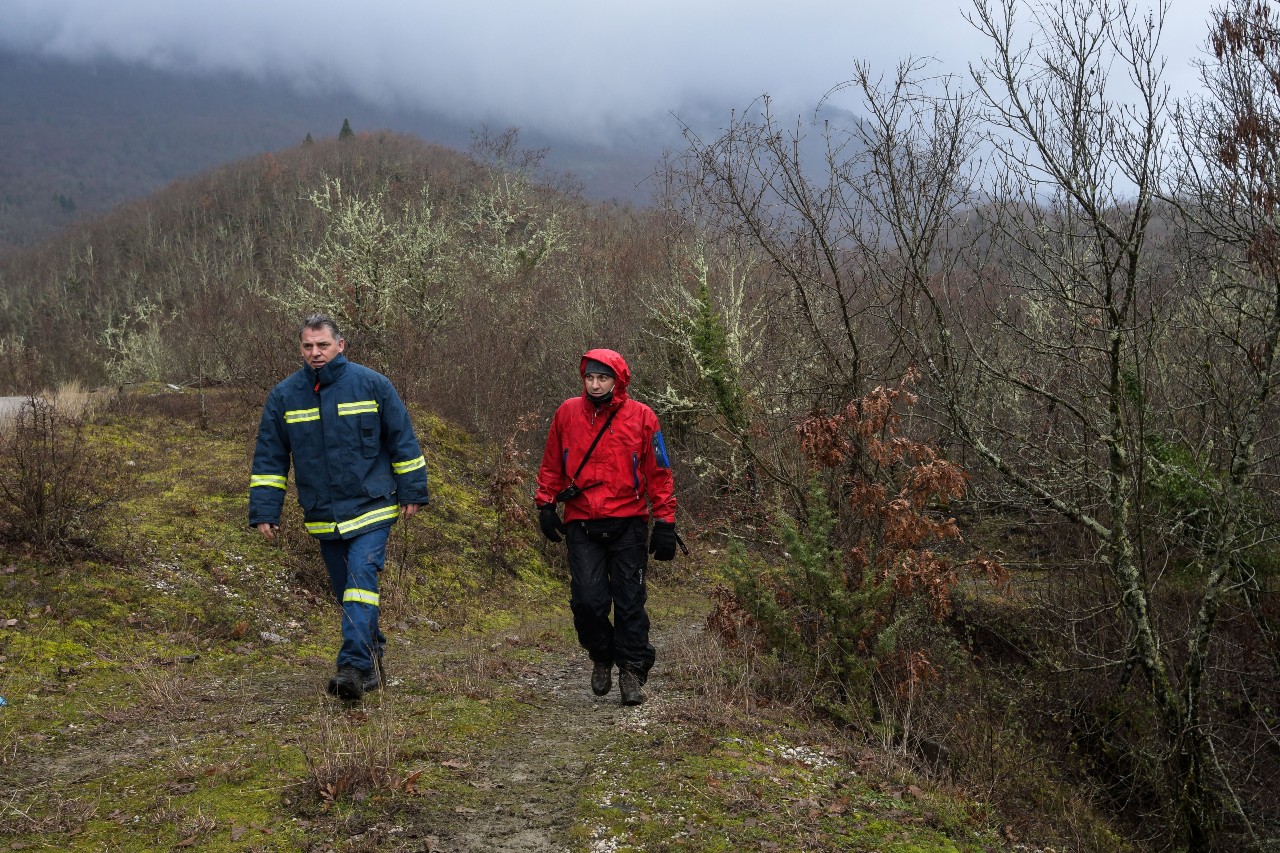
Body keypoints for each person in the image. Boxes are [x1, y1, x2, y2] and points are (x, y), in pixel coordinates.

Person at [249, 315, 429, 701]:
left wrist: (412, 490)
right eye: (308, 346)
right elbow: (270, 457)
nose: (315, 353)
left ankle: (351, 666)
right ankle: (372, 655)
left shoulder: (373, 385)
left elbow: (402, 440)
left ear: (340, 345)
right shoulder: (284, 396)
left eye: (323, 346)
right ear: (301, 349)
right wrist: (266, 510)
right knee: (348, 593)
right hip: (323, 515)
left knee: (361, 578)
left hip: (373, 506)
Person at [535, 348, 679, 706]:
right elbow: (552, 462)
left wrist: (665, 520)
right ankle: (601, 654)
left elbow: (659, 473)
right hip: (581, 522)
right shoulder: (567, 413)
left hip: (628, 522)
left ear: (618, 380)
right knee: (587, 601)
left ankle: (631, 671)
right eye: (590, 377)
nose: (595, 385)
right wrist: (545, 503)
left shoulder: (644, 417)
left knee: (630, 603)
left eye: (603, 378)